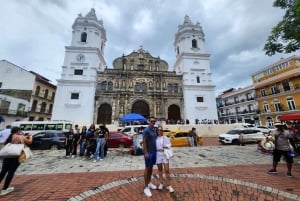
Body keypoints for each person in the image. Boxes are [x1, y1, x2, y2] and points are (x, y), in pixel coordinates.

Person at [0, 127, 32, 196]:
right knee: (11, 172)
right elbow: (29, 142)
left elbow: (5, 144)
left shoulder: (10, 136)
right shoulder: (21, 137)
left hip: (7, 156)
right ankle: (5, 188)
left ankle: (4, 187)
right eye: (20, 131)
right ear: (18, 131)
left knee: (3, 172)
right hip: (16, 156)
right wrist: (30, 136)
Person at [155, 126, 174, 193]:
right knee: (160, 170)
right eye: (158, 130)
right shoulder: (155, 138)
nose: (159, 131)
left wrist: (165, 146)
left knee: (167, 170)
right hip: (158, 154)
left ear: (162, 131)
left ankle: (169, 185)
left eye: (161, 130)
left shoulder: (165, 137)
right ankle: (161, 183)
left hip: (164, 154)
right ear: (157, 131)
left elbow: (169, 145)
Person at [142, 117, 157, 197]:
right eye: (151, 121)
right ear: (149, 122)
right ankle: (146, 187)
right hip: (149, 153)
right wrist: (145, 152)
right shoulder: (146, 130)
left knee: (151, 168)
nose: (153, 122)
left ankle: (149, 182)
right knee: (147, 169)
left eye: (154, 121)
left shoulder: (154, 130)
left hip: (154, 152)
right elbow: (144, 142)